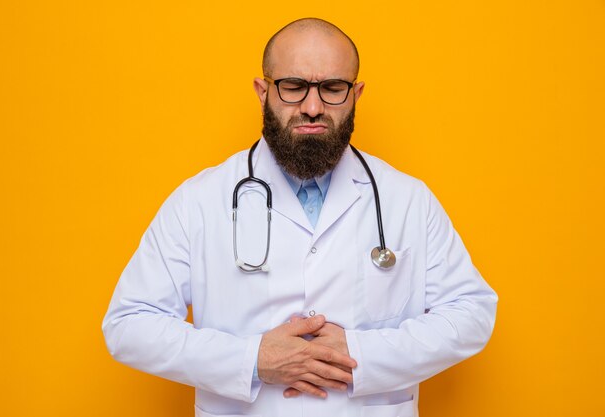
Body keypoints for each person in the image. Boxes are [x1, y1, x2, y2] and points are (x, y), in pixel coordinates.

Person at [102, 17, 498, 417]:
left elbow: (471, 312)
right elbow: (129, 325)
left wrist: (362, 354)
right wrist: (252, 359)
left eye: (332, 89)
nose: (312, 108)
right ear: (263, 91)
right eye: (293, 87)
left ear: (356, 94)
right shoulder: (199, 201)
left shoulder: (407, 199)